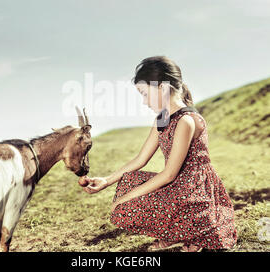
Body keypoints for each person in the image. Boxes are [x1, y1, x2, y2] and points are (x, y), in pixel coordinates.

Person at [83, 56, 237, 252]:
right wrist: (107, 180)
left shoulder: (186, 121)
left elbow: (169, 174)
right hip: (178, 186)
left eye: (145, 94)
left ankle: (195, 232)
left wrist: (125, 199)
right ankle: (175, 233)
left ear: (162, 88)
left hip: (195, 190)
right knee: (128, 181)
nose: (144, 101)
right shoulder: (163, 119)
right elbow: (141, 159)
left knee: (126, 204)